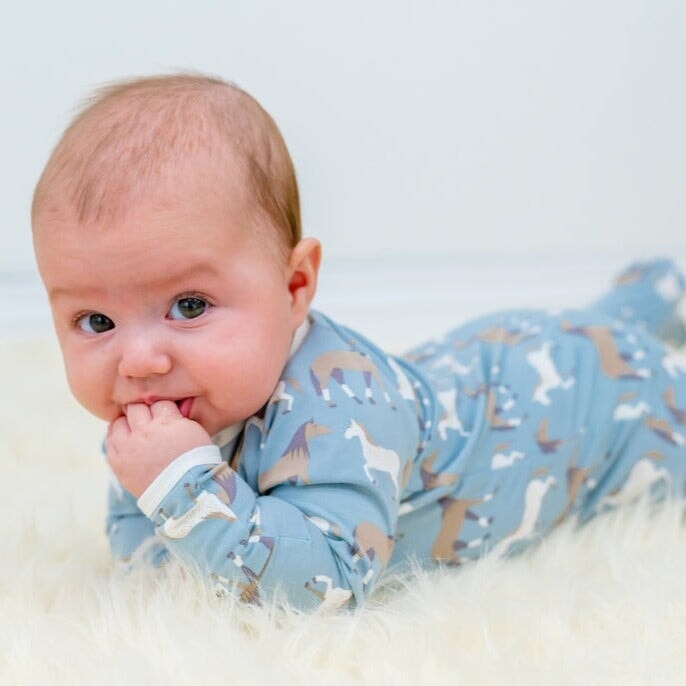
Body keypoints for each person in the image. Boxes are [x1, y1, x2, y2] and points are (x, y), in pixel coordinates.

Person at [31, 73, 686, 612]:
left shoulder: (340, 415)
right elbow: (149, 553)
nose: (139, 360)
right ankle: (644, 301)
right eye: (95, 322)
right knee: (586, 332)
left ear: (294, 286)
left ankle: (651, 302)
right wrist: (165, 487)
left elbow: (327, 585)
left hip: (600, 406)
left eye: (190, 306)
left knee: (614, 359)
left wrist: (182, 485)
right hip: (503, 355)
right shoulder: (167, 419)